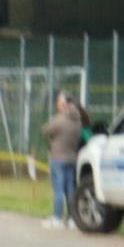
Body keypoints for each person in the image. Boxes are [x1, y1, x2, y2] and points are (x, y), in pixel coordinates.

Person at [42, 92, 83, 228]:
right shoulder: (77, 119)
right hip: (72, 158)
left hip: (58, 158)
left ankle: (57, 217)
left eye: (59, 103)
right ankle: (72, 218)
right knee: (70, 190)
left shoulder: (60, 119)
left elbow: (46, 130)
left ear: (64, 104)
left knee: (58, 189)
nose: (57, 105)